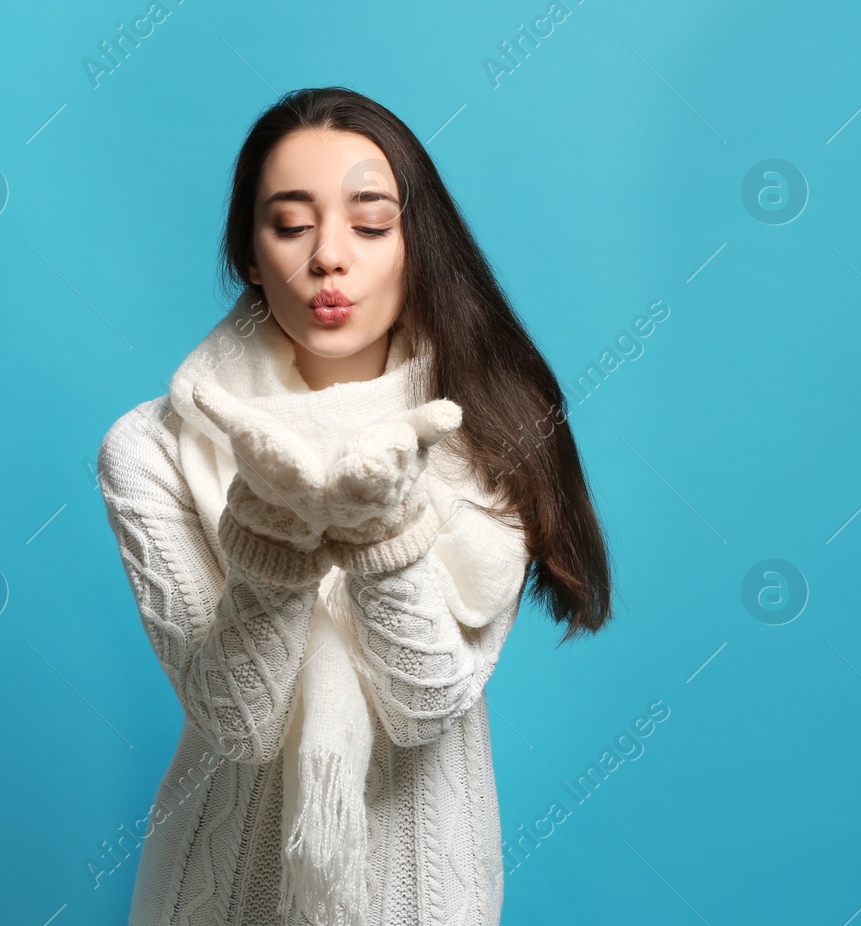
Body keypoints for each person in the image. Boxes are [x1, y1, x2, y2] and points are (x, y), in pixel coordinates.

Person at [95, 86, 612, 925]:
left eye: (370, 224)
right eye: (291, 225)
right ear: (250, 255)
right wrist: (272, 534)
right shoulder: (150, 449)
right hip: (216, 895)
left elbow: (425, 707)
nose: (329, 255)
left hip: (425, 896)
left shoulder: (489, 427)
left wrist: (382, 532)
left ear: (418, 247)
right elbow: (240, 722)